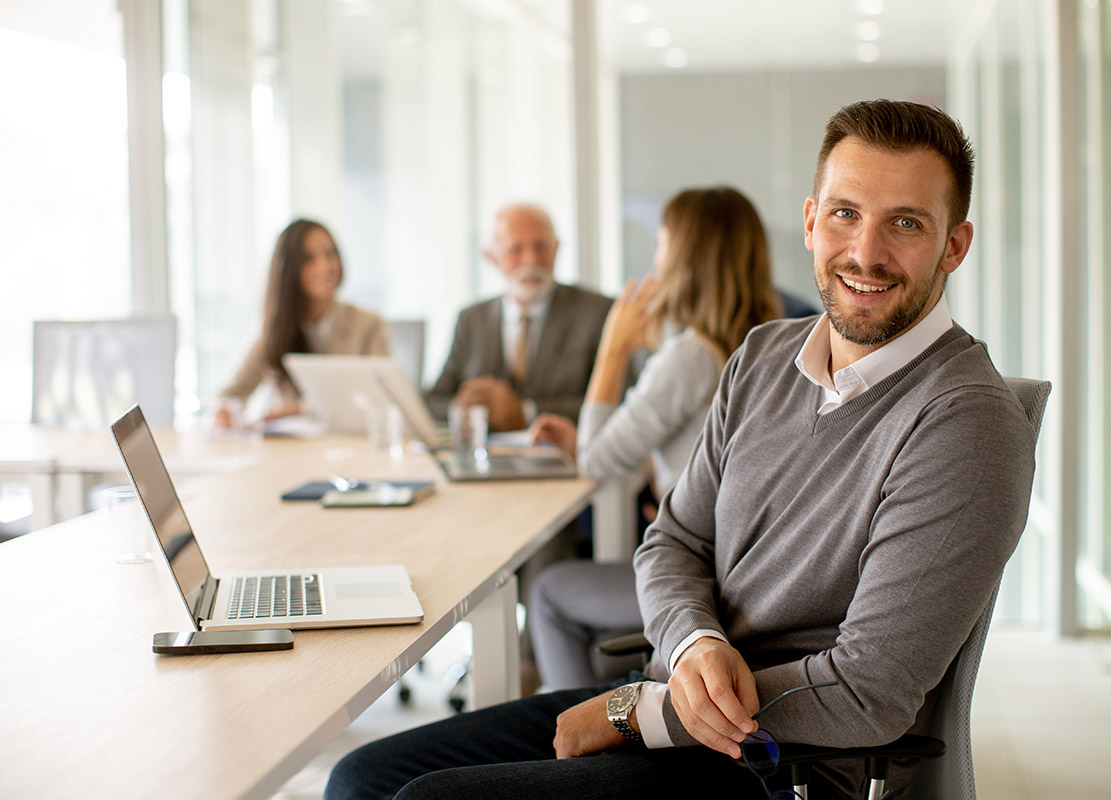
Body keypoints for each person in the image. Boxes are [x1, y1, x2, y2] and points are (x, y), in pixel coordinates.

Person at [325, 99, 1037, 800]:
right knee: (361, 777)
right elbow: (673, 541)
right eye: (846, 214)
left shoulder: (965, 422)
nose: (866, 252)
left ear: (954, 246)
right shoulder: (762, 356)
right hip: (675, 693)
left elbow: (867, 690)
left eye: (904, 223)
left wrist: (636, 714)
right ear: (812, 220)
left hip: (788, 763)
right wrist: (695, 644)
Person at [526, 186, 782, 690]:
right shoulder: (770, 346)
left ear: (685, 256)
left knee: (549, 593)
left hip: (707, 584)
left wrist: (613, 348)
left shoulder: (690, 357)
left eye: (663, 243)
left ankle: (579, 755)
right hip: (755, 574)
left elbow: (596, 462)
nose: (656, 258)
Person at [425, 203, 614, 431]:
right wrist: (466, 408)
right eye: (516, 250)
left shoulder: (598, 313)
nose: (531, 260)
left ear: (556, 249)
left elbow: (612, 403)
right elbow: (434, 400)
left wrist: (526, 412)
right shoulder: (471, 320)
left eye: (541, 247)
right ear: (492, 256)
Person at [215, 218, 390, 425]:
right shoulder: (275, 331)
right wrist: (227, 413)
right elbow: (228, 397)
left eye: (330, 254)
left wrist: (299, 409)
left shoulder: (369, 325)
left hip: (350, 446)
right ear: (289, 269)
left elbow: (383, 401)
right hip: (294, 452)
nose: (325, 266)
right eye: (309, 258)